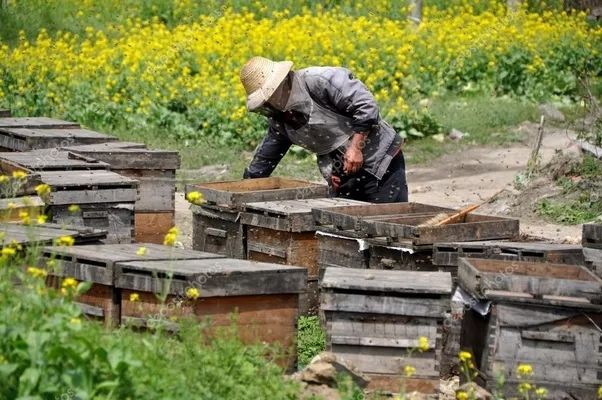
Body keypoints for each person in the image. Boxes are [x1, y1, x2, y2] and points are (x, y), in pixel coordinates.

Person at [239, 56, 408, 203]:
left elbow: (366, 106)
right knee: (350, 230)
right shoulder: (281, 119)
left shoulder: (320, 80)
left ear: (278, 87)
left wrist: (356, 147)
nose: (267, 105)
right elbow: (267, 156)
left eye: (267, 100)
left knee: (388, 221)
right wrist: (245, 188)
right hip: (342, 171)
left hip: (380, 157)